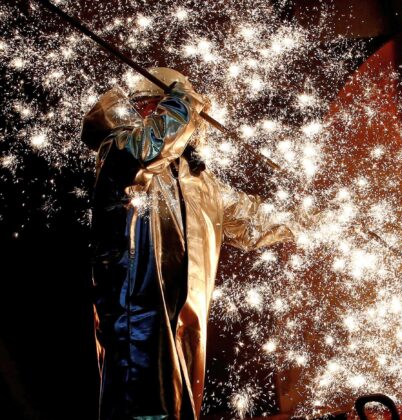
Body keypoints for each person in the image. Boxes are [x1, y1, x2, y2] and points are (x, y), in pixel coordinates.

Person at [81, 67, 298, 419]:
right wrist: (183, 97)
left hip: (188, 322)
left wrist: (313, 216)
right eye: (154, 107)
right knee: (141, 405)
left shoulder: (203, 184)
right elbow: (149, 148)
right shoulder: (120, 153)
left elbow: (255, 221)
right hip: (137, 316)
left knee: (181, 408)